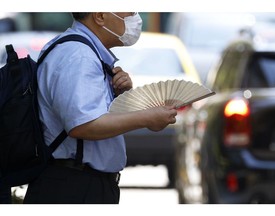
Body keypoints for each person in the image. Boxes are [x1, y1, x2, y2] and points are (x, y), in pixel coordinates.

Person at [23, 12, 177, 204]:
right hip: (73, 186)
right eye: (127, 9)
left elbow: (91, 114)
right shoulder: (78, 55)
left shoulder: (83, 51)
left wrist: (121, 95)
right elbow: (83, 125)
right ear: (100, 15)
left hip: (78, 182)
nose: (134, 15)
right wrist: (147, 118)